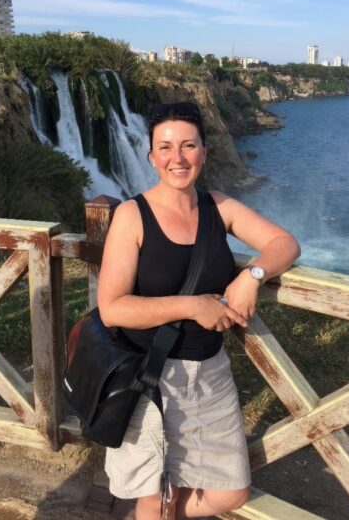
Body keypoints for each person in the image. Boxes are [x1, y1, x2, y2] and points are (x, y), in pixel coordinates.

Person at [98, 102, 300, 520]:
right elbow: (112, 308)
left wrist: (252, 276)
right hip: (149, 377)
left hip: (210, 374)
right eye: (166, 147)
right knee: (152, 496)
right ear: (151, 156)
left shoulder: (218, 207)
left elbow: (285, 243)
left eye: (188, 145)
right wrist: (194, 305)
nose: (178, 157)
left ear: (204, 153)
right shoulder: (131, 216)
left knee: (230, 493)